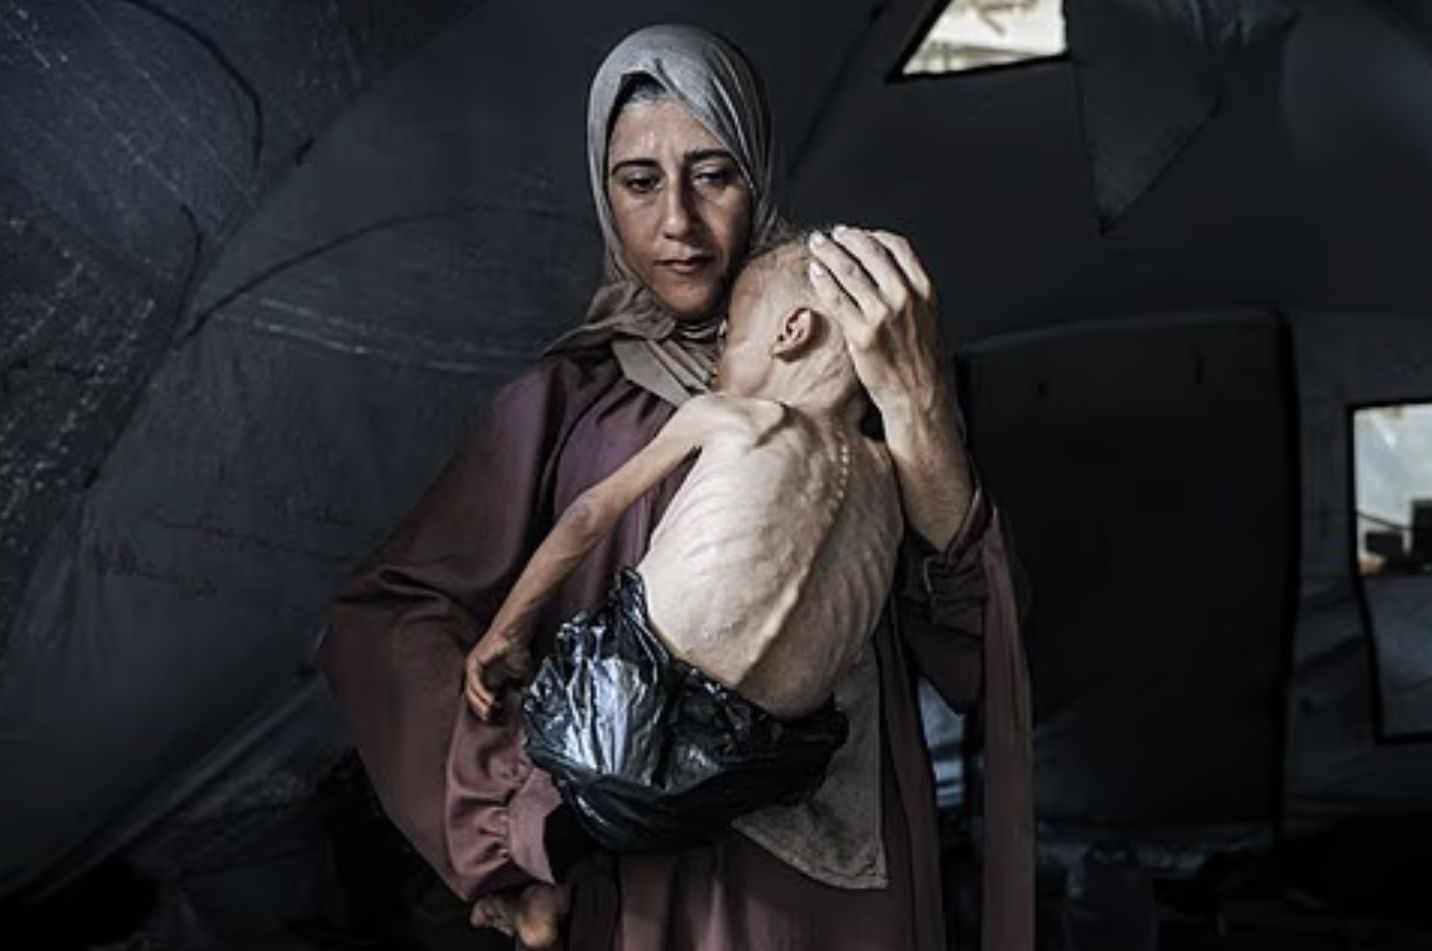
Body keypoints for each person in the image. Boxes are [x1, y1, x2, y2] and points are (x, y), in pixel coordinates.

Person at [323, 22, 1033, 951]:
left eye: (715, 173)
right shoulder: (567, 401)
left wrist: (918, 405)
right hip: (642, 890)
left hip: (834, 893)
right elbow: (385, 618)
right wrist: (524, 816)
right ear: (602, 190)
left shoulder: (861, 385)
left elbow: (976, 646)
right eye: (639, 181)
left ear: (762, 172)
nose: (678, 225)